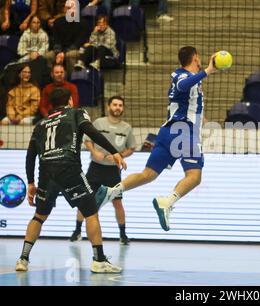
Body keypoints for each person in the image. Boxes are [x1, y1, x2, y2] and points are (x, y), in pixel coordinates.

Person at [96, 46, 218, 231]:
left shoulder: (192, 81)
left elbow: (189, 105)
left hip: (170, 132)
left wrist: (204, 122)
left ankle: (111, 191)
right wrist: (208, 71)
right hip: (183, 132)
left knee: (149, 174)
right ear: (195, 58)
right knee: (194, 176)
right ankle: (166, 202)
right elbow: (182, 85)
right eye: (199, 58)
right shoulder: (181, 76)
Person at [16, 87, 126, 273]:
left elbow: (30, 155)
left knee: (39, 216)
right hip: (68, 168)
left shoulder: (41, 124)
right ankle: (99, 260)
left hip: (46, 171)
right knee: (91, 212)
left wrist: (31, 182)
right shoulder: (76, 112)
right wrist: (114, 151)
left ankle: (23, 259)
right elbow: (91, 131)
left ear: (51, 104)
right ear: (70, 101)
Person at [70, 95, 136, 245]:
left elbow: (131, 148)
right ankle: (77, 231)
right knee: (85, 200)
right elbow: (87, 140)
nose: (117, 107)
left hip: (113, 171)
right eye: (115, 104)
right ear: (108, 106)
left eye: (120, 105)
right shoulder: (99, 122)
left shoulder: (126, 127)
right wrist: (94, 153)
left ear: (123, 108)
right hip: (95, 169)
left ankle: (123, 235)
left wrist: (119, 156)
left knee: (117, 203)